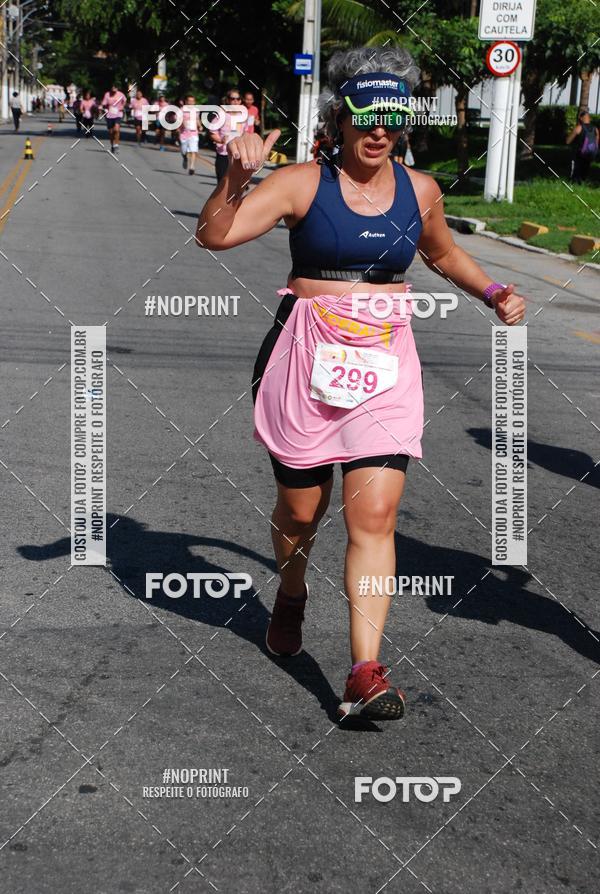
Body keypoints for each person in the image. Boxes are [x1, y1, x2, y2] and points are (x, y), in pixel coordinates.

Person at [197, 46, 526, 723]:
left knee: (374, 515)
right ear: (340, 118)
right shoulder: (300, 183)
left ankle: (364, 671)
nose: (379, 131)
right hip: (305, 359)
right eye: (366, 117)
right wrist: (233, 178)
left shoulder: (420, 189)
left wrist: (493, 291)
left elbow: (442, 252)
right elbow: (215, 236)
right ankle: (292, 591)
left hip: (384, 364)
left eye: (393, 119)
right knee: (300, 514)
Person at [209, 88, 248, 182]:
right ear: (227, 100)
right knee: (222, 183)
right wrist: (221, 140)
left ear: (240, 101)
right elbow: (212, 133)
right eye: (232, 99)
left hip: (238, 155)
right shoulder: (221, 115)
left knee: (235, 184)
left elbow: (245, 133)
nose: (235, 101)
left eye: (238, 99)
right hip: (224, 154)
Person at [566, 108, 599, 184]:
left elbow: (568, 141)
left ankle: (574, 182)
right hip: (591, 153)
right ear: (589, 118)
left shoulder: (579, 128)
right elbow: (596, 143)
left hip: (579, 153)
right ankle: (583, 181)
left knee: (576, 170)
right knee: (585, 169)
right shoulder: (595, 129)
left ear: (581, 118)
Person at [101, 84, 127, 155]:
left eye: (115, 88)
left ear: (117, 88)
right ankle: (112, 145)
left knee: (116, 129)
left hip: (118, 114)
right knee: (111, 132)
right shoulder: (107, 94)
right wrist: (103, 108)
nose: (114, 89)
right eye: (113, 88)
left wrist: (122, 106)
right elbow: (104, 104)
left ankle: (116, 145)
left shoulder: (121, 94)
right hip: (109, 115)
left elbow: (125, 101)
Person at [179, 94, 201, 175]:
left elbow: (197, 119)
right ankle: (185, 158)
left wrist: (200, 126)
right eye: (189, 101)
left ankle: (192, 167)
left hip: (193, 133)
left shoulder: (196, 110)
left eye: (192, 101)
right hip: (184, 134)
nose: (191, 102)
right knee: (184, 151)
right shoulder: (181, 110)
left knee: (193, 150)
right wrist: (183, 124)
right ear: (186, 101)